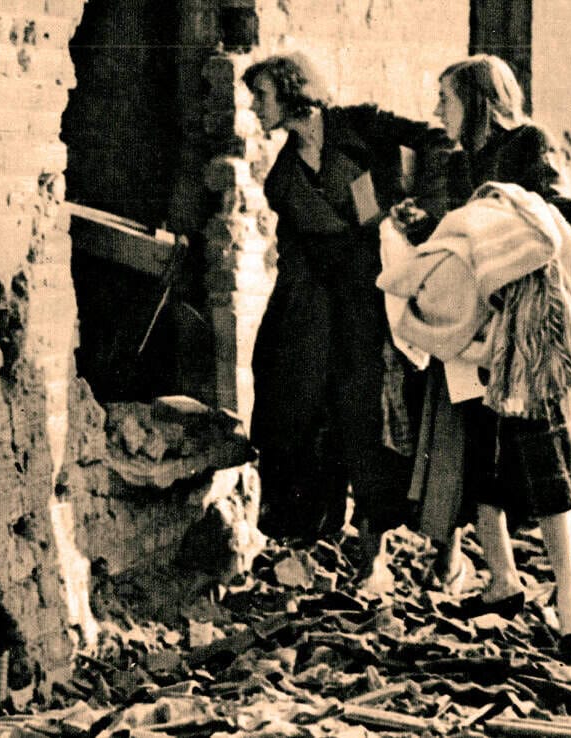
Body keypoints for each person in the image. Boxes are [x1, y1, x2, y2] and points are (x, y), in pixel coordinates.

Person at [412, 54, 571, 663]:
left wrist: (499, 218)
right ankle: (504, 581)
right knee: (479, 450)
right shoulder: (455, 160)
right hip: (473, 327)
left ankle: (570, 605)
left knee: (543, 454)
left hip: (527, 324)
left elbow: (562, 216)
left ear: (478, 97)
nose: (439, 111)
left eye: (447, 98)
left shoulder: (530, 142)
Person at [241, 53, 453, 568]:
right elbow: (295, 259)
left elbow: (438, 141)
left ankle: (449, 543)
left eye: (261, 96)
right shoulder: (283, 178)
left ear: (293, 93)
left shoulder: (361, 126)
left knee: (416, 416)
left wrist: (429, 211)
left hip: (397, 296)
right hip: (337, 311)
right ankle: (364, 550)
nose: (253, 108)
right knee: (348, 420)